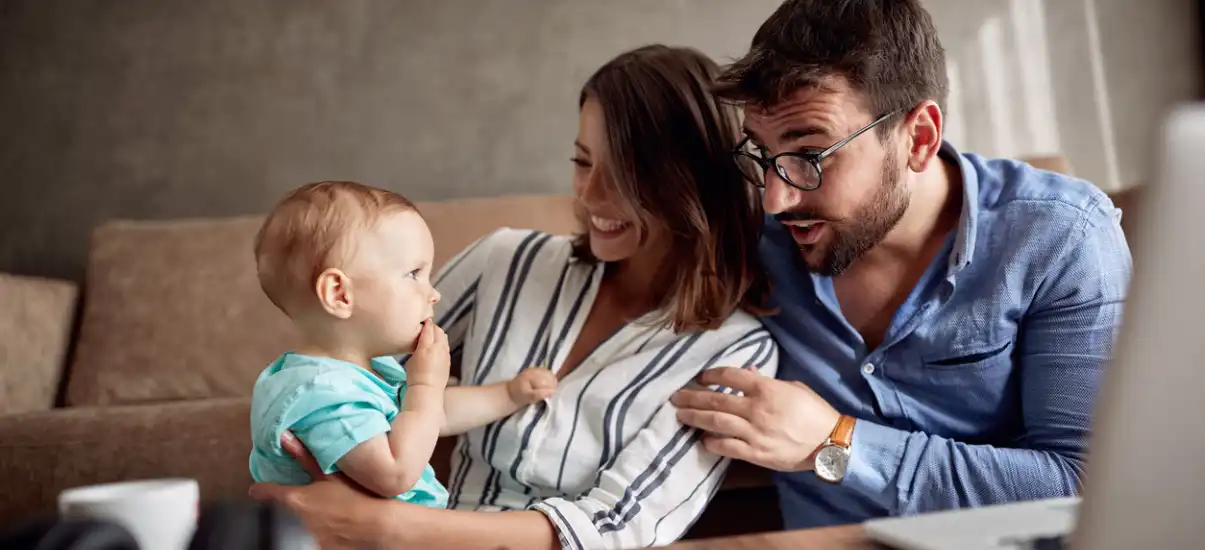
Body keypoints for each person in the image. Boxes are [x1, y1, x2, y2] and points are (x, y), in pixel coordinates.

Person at [249, 45, 780, 549]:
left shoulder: (735, 353)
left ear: (691, 186)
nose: (590, 195)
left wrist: (389, 528)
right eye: (581, 162)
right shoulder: (506, 261)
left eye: (625, 175)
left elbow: (619, 527)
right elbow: (352, 363)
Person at [671, 0, 1132, 530]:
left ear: (919, 138)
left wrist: (836, 442)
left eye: (811, 155)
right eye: (764, 154)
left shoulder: (1060, 238)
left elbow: (1083, 483)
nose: (776, 199)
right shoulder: (751, 238)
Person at [248, 181, 557, 506]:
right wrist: (424, 384)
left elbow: (431, 417)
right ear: (340, 294)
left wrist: (508, 394)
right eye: (413, 274)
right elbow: (396, 473)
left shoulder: (367, 373)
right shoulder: (321, 396)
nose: (433, 293)